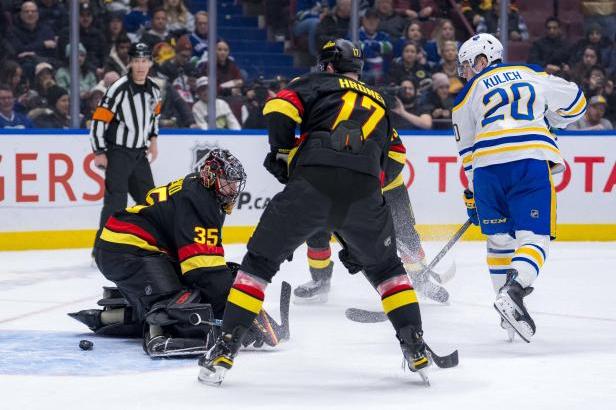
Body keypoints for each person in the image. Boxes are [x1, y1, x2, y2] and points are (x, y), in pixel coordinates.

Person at [198, 39, 432, 386]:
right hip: (365, 193)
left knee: (258, 265)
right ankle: (415, 347)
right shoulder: (378, 100)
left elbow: (278, 108)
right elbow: (397, 156)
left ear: (326, 66)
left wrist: (280, 152)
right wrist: (365, 181)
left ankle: (226, 347)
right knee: (387, 271)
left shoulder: (314, 82)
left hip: (312, 183)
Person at [70, 149, 284, 357]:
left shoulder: (202, 191)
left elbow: (206, 266)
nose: (234, 190)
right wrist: (240, 314)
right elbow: (203, 272)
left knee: (196, 291)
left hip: (129, 247)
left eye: (236, 184)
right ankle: (159, 334)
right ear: (211, 177)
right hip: (128, 249)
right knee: (180, 300)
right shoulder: (201, 201)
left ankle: (111, 317)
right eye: (229, 183)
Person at [452, 33, 586, 342]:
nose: (465, 73)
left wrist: (474, 196)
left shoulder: (463, 98)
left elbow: (467, 156)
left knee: (498, 241)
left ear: (482, 60)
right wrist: (552, 119)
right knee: (534, 238)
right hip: (529, 160)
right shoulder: (532, 73)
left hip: (486, 169)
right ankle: (514, 289)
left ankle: (506, 312)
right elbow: (578, 101)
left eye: (467, 66)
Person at [89, 42, 161, 245]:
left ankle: (151, 242)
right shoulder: (118, 89)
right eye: (136, 61)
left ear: (150, 63)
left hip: (139, 154)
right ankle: (102, 248)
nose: (140, 65)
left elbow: (154, 117)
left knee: (150, 201)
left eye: (144, 61)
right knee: (115, 202)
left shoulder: (155, 90)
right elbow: (99, 120)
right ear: (129, 63)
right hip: (118, 152)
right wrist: (99, 151)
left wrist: (153, 141)